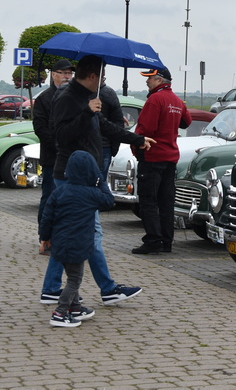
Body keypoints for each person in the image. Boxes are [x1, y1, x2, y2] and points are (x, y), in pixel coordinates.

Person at [40, 54, 152, 306]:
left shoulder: (87, 97)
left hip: (81, 176)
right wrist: (85, 112)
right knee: (90, 234)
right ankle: (107, 288)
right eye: (100, 76)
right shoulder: (68, 98)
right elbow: (61, 136)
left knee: (68, 234)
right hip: (72, 176)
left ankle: (51, 288)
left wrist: (137, 139)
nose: (102, 82)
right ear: (91, 76)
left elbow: (104, 126)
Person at [39, 150, 114, 328]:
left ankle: (75, 307)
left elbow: (46, 217)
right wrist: (100, 181)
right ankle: (60, 312)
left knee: (72, 275)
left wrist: (45, 237)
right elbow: (109, 201)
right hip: (78, 244)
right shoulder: (91, 193)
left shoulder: (59, 192)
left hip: (59, 243)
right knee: (74, 279)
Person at [131, 67, 192, 255]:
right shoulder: (176, 100)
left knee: (148, 201)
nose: (147, 82)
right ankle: (167, 241)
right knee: (166, 201)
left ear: (160, 80)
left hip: (153, 156)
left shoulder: (155, 100)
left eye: (150, 78)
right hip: (171, 157)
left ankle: (153, 240)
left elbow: (145, 128)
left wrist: (136, 147)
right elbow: (186, 122)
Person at [33, 58, 76, 248]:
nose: (67, 77)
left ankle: (64, 235)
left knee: (68, 199)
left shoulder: (75, 97)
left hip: (72, 158)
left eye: (70, 73)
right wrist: (59, 144)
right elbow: (40, 128)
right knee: (50, 196)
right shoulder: (44, 98)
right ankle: (45, 236)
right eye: (64, 73)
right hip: (52, 157)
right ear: (54, 74)